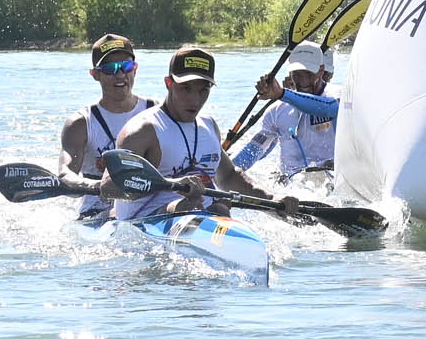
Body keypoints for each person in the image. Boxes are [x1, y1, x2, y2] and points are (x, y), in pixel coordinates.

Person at [114, 46, 297, 221]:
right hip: (148, 222)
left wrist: (272, 197)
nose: (195, 99)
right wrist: (171, 182)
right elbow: (109, 188)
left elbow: (229, 177)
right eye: (186, 88)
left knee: (220, 207)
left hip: (202, 217)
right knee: (191, 207)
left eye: (204, 90)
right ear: (168, 83)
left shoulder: (208, 126)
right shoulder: (142, 131)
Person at [57, 34, 155, 222]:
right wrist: (99, 186)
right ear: (95, 74)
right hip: (97, 212)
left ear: (135, 69)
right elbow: (65, 173)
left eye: (126, 67)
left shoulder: (156, 112)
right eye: (110, 69)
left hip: (150, 207)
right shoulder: (81, 123)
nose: (120, 75)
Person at [234, 43, 337, 180]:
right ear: (289, 73)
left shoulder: (337, 97)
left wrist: (282, 94)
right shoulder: (276, 111)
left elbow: (328, 109)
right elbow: (254, 152)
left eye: (308, 74)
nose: (304, 81)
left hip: (330, 183)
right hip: (292, 189)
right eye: (297, 74)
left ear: (321, 70)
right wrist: (223, 169)